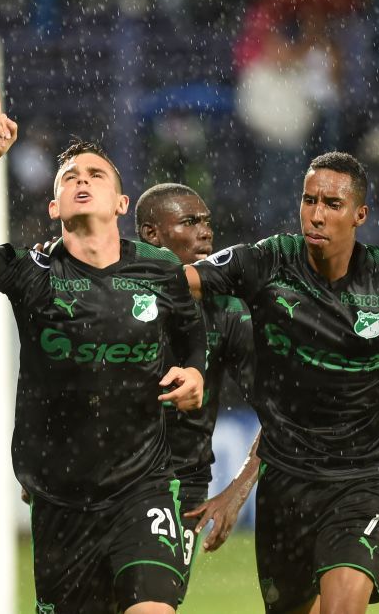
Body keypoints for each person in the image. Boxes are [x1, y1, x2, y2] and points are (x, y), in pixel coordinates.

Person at [0, 84, 207, 614]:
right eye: (70, 177)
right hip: (59, 501)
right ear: (54, 205)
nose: (82, 180)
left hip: (142, 487)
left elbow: (191, 334)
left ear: (121, 203)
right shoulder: (31, 272)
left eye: (96, 175)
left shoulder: (161, 269)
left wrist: (194, 372)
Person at [183, 152, 379, 614]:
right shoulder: (269, 260)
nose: (316, 214)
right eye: (309, 200)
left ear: (360, 214)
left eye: (332, 204)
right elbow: (181, 282)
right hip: (284, 486)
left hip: (358, 482)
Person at [134, 183, 260, 564]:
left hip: (181, 483)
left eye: (206, 222)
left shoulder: (227, 310)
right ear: (151, 234)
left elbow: (284, 414)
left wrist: (237, 491)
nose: (205, 232)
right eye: (189, 222)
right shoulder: (113, 293)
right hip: (106, 479)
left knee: (153, 594)